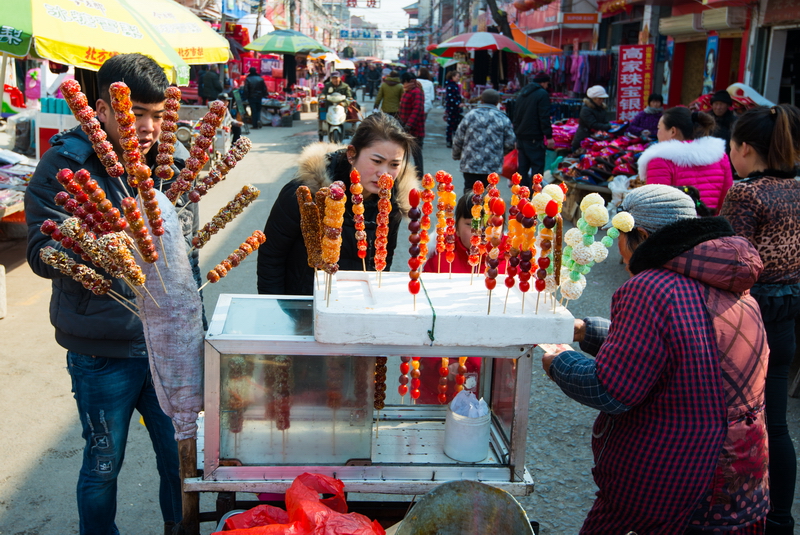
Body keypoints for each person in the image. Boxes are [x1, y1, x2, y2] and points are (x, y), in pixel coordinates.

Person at [24, 53, 195, 535]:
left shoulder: (172, 169)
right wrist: (101, 244)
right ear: (99, 110)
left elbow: (188, 258)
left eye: (157, 115)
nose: (147, 126)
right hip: (101, 349)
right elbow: (40, 252)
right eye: (134, 112)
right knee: (102, 465)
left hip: (169, 346)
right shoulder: (63, 165)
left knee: (180, 460)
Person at [543, 184, 769, 534]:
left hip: (670, 483)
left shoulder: (651, 288)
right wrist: (585, 330)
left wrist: (559, 362)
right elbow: (671, 354)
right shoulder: (731, 282)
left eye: (620, 235)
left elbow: (612, 388)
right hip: (739, 482)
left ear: (642, 235)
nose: (618, 249)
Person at [719, 104, 800, 535]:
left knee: (738, 419)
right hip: (788, 309)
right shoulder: (796, 187)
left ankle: (734, 513)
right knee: (776, 423)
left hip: (752, 312)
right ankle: (780, 521)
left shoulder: (745, 193)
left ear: (745, 148)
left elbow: (734, 261)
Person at [256, 113, 420, 295]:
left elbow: (384, 259)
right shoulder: (305, 194)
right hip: (303, 303)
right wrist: (277, 308)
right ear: (352, 155)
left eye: (394, 164)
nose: (384, 173)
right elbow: (271, 256)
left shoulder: (391, 203)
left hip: (356, 306)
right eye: (377, 161)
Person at [638, 107, 732, 213]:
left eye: (659, 128)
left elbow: (655, 207)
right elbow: (726, 200)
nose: (657, 133)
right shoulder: (719, 156)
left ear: (673, 131)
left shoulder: (660, 160)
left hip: (675, 228)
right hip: (712, 226)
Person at [453, 89, 516, 193]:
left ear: (481, 100)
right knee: (489, 194)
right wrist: (500, 154)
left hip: (470, 163)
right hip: (492, 164)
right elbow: (510, 142)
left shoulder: (470, 116)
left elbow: (459, 137)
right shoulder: (503, 118)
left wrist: (456, 154)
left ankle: (468, 209)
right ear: (497, 102)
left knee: (469, 192)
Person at [512, 73, 553, 189]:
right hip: (534, 136)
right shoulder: (542, 94)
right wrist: (549, 136)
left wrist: (516, 134)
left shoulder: (522, 94)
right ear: (544, 82)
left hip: (521, 136)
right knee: (537, 167)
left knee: (523, 168)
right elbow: (544, 116)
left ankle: (522, 195)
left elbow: (516, 115)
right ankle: (534, 195)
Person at [397, 72, 426, 178]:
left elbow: (417, 110)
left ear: (410, 81)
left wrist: (409, 124)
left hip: (415, 128)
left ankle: (419, 175)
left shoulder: (417, 92)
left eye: (404, 82)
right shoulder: (408, 91)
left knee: (416, 153)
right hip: (405, 126)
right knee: (403, 151)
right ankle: (403, 172)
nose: (403, 84)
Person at [572, 85, 612, 152]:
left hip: (597, 139)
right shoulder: (586, 109)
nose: (601, 100)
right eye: (599, 98)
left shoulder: (602, 109)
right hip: (583, 139)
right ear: (593, 98)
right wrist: (609, 127)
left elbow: (605, 121)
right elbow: (592, 124)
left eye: (602, 99)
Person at [318, 71, 353, 142]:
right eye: (333, 78)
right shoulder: (328, 85)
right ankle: (321, 132)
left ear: (340, 78)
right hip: (329, 106)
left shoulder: (345, 86)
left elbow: (349, 97)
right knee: (321, 114)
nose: (335, 80)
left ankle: (350, 130)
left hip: (341, 107)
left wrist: (344, 103)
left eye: (336, 78)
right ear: (331, 79)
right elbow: (323, 93)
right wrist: (322, 96)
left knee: (351, 114)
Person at [443, 70, 463, 148]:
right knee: (451, 125)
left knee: (454, 125)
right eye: (457, 76)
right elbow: (450, 98)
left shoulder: (454, 85)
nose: (458, 78)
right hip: (452, 109)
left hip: (455, 109)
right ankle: (450, 141)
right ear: (453, 77)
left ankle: (453, 141)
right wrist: (458, 104)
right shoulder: (451, 86)